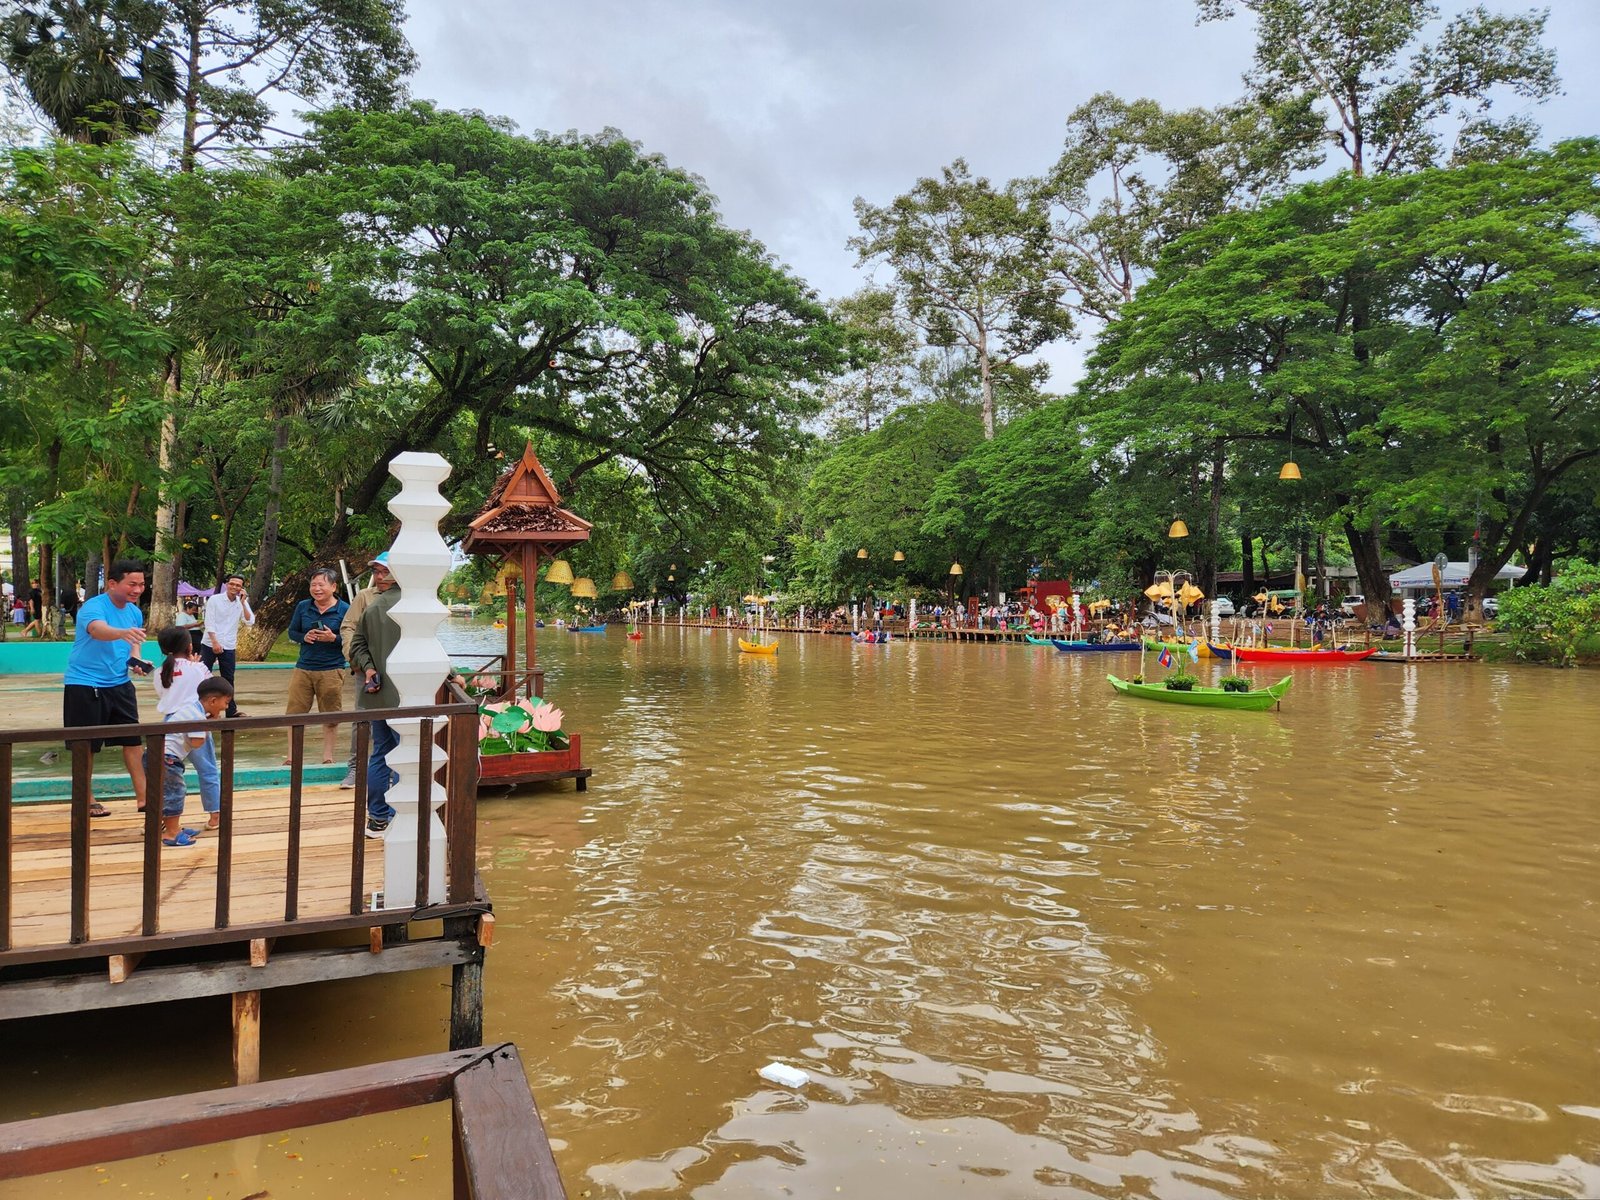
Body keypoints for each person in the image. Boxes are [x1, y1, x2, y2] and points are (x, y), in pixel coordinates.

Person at [62, 558, 150, 818]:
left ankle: (145, 798)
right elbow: (98, 631)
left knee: (133, 741)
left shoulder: (134, 611)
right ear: (112, 583)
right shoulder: (94, 606)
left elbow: (134, 643)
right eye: (131, 584)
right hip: (84, 684)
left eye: (142, 584)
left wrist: (136, 660)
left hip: (120, 684)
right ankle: (85, 798)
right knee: (86, 745)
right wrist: (123, 633)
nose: (137, 590)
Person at [345, 552, 401, 838]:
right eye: (377, 572)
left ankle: (378, 818)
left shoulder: (374, 607)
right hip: (405, 697)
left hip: (377, 694)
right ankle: (403, 818)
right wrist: (453, 676)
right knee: (408, 755)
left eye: (384, 572)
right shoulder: (415, 605)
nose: (379, 577)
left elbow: (357, 644)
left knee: (381, 753)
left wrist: (368, 669)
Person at [152, 625, 223, 830]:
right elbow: (213, 691)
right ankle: (215, 815)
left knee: (165, 774)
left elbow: (166, 695)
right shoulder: (197, 668)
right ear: (190, 646)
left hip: (170, 723)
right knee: (207, 770)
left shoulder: (159, 673)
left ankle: (164, 819)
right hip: (195, 721)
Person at [154, 676, 232, 847]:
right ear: (213, 701)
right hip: (167, 759)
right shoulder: (197, 716)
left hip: (159, 755)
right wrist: (208, 726)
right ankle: (172, 834)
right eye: (225, 703)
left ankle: (174, 827)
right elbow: (197, 743)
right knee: (175, 793)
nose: (226, 708)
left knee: (168, 793)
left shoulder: (191, 709)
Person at [286, 567, 350, 767]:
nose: (316, 589)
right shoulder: (303, 606)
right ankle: (291, 756)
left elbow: (351, 639)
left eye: (321, 584)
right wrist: (303, 636)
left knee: (330, 715)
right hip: (303, 668)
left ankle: (328, 757)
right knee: (294, 715)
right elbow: (292, 632)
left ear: (333, 586)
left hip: (332, 669)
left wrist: (333, 638)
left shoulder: (345, 609)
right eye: (313, 585)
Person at [201, 573, 254, 718]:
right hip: (209, 643)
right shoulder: (215, 600)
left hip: (229, 645)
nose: (234, 587)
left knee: (228, 679)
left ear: (242, 588)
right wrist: (214, 642)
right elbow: (209, 622)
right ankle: (201, 709)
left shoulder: (240, 602)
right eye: (232, 584)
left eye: (238, 585)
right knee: (203, 677)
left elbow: (250, 621)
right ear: (226, 584)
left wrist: (243, 603)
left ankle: (231, 711)